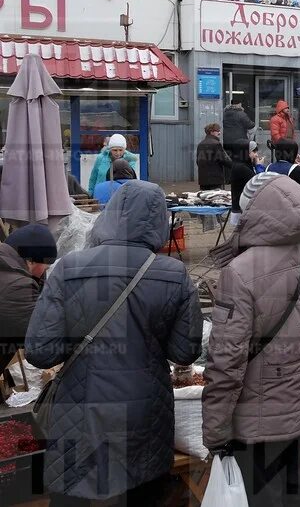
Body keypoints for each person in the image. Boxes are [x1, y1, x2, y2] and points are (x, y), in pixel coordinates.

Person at [25, 181, 201, 504]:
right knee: (141, 493)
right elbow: (185, 351)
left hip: (79, 411)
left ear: (111, 214)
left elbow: (40, 351)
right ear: (161, 220)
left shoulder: (68, 269)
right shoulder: (174, 275)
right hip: (145, 416)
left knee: (74, 494)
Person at [204, 176, 300, 507]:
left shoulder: (239, 272)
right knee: (293, 486)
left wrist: (215, 431)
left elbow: (226, 362)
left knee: (262, 494)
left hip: (255, 417)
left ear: (253, 212)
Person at [0, 225, 57, 382]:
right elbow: (42, 343)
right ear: (31, 261)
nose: (45, 271)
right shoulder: (17, 286)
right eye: (47, 266)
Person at [228, 138, 257, 224]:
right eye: (254, 152)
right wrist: (259, 166)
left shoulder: (242, 164)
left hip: (242, 208)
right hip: (241, 209)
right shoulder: (241, 167)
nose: (256, 155)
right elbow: (257, 182)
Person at [197, 122, 232, 190]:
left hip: (203, 179)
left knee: (205, 199)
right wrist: (234, 165)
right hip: (215, 179)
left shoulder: (200, 144)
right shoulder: (216, 144)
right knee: (217, 198)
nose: (219, 133)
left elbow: (198, 161)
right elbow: (224, 159)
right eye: (217, 131)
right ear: (211, 132)